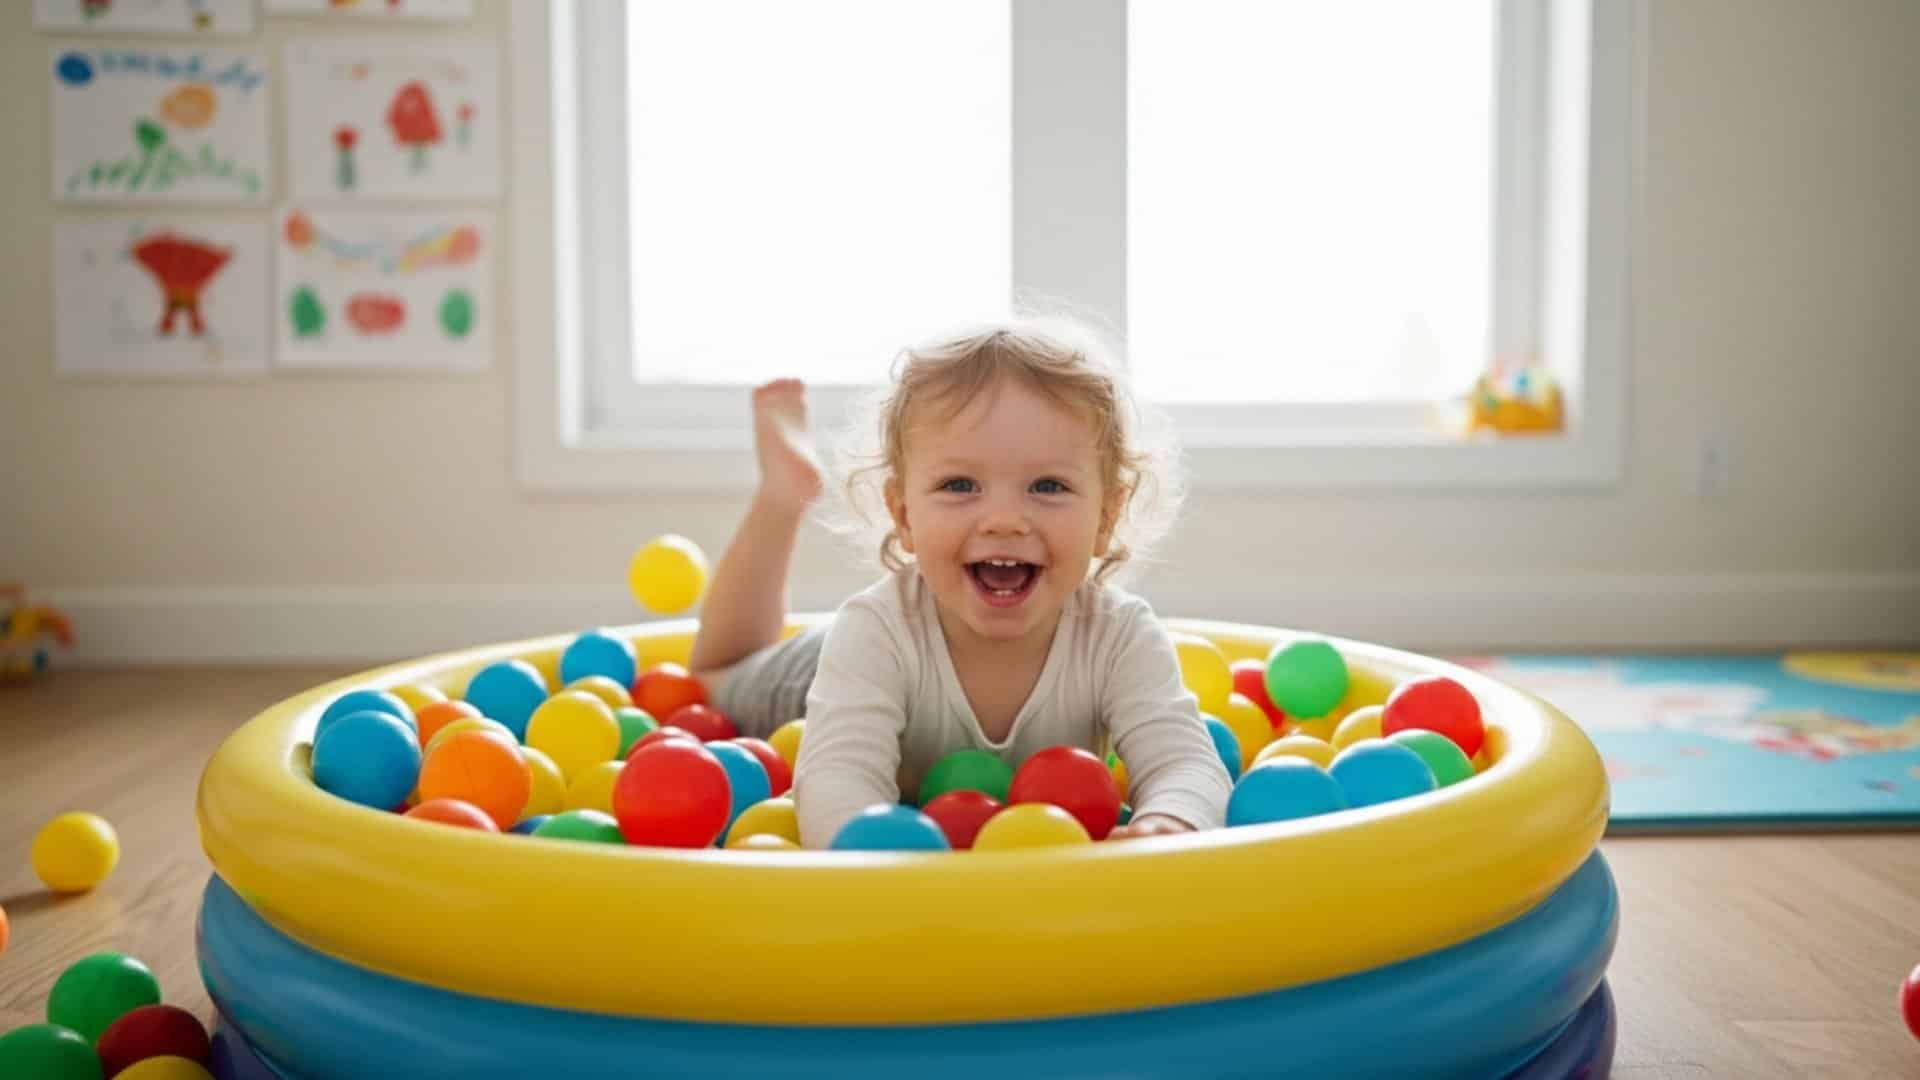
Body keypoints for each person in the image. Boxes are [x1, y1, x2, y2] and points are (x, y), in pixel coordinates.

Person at [687, 318, 1232, 848]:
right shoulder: (874, 632)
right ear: (903, 515)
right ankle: (784, 496)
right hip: (824, 672)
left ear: (1106, 518)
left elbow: (1185, 760)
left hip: (892, 667)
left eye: (1047, 485)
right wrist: (869, 845)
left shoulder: (1120, 634)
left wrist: (1168, 823)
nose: (1003, 518)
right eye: (960, 484)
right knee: (715, 674)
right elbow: (837, 775)